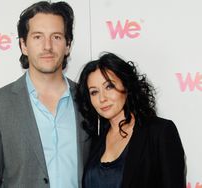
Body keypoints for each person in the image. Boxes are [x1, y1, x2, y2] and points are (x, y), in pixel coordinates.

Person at [0, 1, 90, 188]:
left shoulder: (88, 98)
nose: (47, 46)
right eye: (38, 37)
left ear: (68, 45)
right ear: (23, 45)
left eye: (56, 37)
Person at [76, 52, 186, 188]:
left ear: (126, 85)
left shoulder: (160, 131)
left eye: (109, 86)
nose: (102, 98)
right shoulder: (96, 140)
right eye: (94, 92)